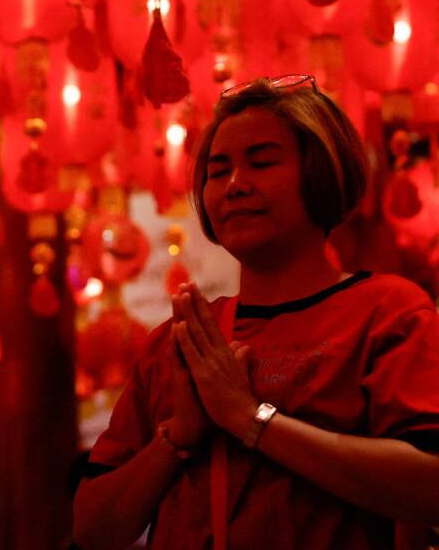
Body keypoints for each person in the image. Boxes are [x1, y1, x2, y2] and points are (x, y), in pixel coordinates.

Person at [73, 74, 439, 550]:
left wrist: (250, 419)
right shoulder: (179, 341)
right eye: (218, 171)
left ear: (321, 175)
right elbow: (92, 530)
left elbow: (429, 486)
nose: (236, 186)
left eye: (262, 163)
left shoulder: (387, 311)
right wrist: (176, 438)